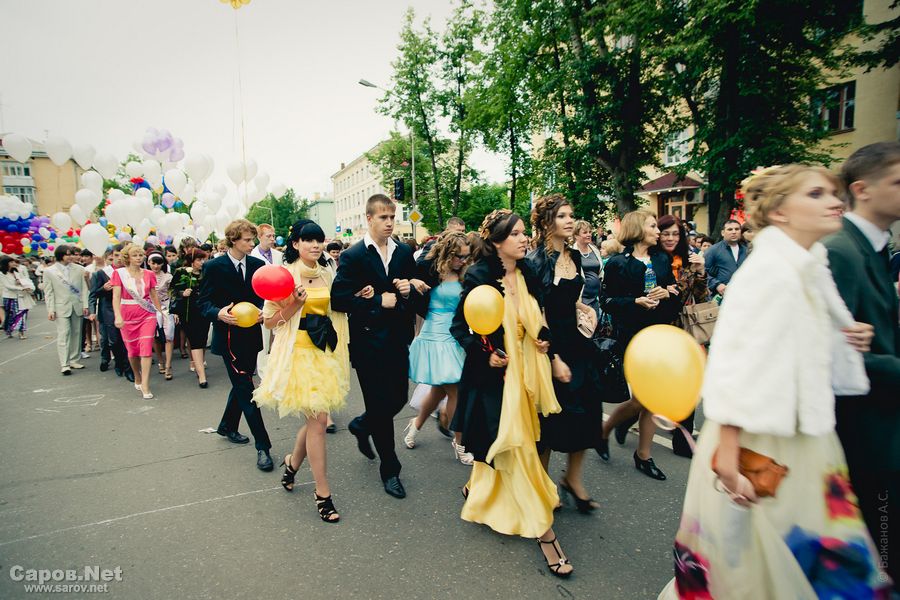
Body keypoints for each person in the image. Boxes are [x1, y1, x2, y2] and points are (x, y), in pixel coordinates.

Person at [660, 164, 890, 598]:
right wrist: (729, 459)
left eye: (833, 193)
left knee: (811, 569)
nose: (835, 201)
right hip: (760, 444)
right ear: (781, 212)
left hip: (807, 437)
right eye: (816, 194)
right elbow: (733, 361)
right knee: (759, 572)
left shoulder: (807, 266)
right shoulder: (770, 271)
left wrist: (846, 335)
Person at [451, 209, 574, 577]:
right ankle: (545, 535)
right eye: (516, 234)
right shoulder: (479, 277)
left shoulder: (528, 272)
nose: (524, 239)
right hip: (497, 378)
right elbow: (461, 327)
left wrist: (548, 345)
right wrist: (486, 354)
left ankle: (478, 487)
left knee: (515, 443)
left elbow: (539, 319)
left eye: (524, 233)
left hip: (529, 372)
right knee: (516, 446)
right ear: (496, 241)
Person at [824, 141, 900, 591]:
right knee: (880, 560)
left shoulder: (872, 248)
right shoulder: (841, 251)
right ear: (863, 189)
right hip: (864, 435)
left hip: (881, 426)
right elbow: (832, 355)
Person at [254, 219, 351, 523]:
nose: (315, 245)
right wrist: (295, 304)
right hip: (297, 356)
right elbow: (270, 322)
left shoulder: (327, 272)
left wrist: (358, 296)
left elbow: (337, 308)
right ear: (295, 244)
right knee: (318, 421)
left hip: (324, 354)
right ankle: (323, 492)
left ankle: (292, 465)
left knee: (314, 422)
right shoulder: (284, 276)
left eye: (318, 240)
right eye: (308, 240)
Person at [331, 194, 422, 499]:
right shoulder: (354, 255)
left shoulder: (404, 253)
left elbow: (415, 294)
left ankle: (361, 424)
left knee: (398, 398)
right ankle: (390, 469)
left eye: (392, 217)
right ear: (369, 219)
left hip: (397, 340)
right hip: (367, 344)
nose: (389, 223)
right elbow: (339, 299)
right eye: (383, 217)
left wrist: (408, 291)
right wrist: (377, 301)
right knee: (380, 408)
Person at [527, 196, 603, 514]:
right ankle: (542, 486)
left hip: (578, 343)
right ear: (547, 222)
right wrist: (554, 358)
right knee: (550, 421)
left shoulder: (574, 256)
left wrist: (586, 309)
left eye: (571, 215)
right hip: (550, 347)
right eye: (562, 216)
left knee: (588, 413)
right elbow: (537, 313)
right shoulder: (535, 261)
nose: (570, 220)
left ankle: (573, 479)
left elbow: (570, 299)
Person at [598, 210, 680, 480]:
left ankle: (643, 455)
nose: (659, 231)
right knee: (642, 400)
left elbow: (675, 293)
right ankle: (607, 429)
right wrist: (635, 301)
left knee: (652, 399)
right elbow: (606, 302)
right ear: (637, 229)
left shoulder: (661, 259)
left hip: (660, 335)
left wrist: (666, 293)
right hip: (633, 338)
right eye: (653, 226)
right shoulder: (617, 264)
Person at [198, 219, 273, 471]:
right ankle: (263, 446)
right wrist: (218, 313)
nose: (252, 244)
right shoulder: (213, 267)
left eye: (253, 239)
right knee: (246, 388)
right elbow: (203, 303)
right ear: (233, 240)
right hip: (228, 337)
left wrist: (263, 311)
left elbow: (264, 297)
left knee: (242, 383)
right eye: (247, 240)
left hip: (251, 335)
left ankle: (227, 426)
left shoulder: (258, 265)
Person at [404, 231, 473, 465]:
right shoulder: (429, 271)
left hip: (455, 336)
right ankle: (460, 443)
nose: (463, 260)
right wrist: (413, 283)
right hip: (434, 336)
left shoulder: (465, 274)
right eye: (459, 256)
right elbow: (413, 299)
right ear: (448, 253)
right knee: (455, 391)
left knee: (438, 391)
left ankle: (415, 426)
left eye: (466, 256)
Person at [657, 214, 709, 458]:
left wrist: (700, 272)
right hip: (658, 328)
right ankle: (624, 419)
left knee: (688, 382)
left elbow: (701, 297)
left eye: (675, 234)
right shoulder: (653, 260)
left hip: (685, 329)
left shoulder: (689, 260)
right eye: (666, 233)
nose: (670, 238)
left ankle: (682, 439)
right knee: (658, 388)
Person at [112, 244, 163, 400]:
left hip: (147, 314)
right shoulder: (119, 273)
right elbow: (116, 296)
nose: (138, 258)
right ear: (127, 257)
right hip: (127, 314)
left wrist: (161, 312)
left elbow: (154, 295)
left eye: (141, 255)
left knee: (146, 348)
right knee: (133, 351)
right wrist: (117, 316)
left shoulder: (149, 274)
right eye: (135, 255)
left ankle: (145, 384)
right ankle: (137, 375)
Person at [44, 245, 90, 375]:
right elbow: (49, 292)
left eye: (72, 254)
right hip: (60, 307)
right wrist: (51, 309)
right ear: (60, 255)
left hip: (77, 305)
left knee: (77, 333)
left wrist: (85, 305)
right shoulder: (49, 271)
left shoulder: (80, 269)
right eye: (68, 254)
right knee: (64, 333)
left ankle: (74, 359)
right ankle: (64, 364)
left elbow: (84, 289)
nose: (71, 256)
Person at [89, 247, 132, 380]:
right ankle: (118, 363)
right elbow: (93, 294)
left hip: (128, 309)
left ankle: (129, 368)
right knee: (114, 341)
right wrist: (103, 288)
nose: (119, 258)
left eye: (122, 255)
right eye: (116, 255)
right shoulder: (101, 274)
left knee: (128, 341)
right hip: (109, 310)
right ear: (112, 256)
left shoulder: (130, 271)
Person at [171, 248, 211, 388]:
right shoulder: (182, 272)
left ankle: (199, 363)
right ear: (191, 261)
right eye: (199, 260)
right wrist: (182, 293)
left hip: (204, 311)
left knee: (203, 339)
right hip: (188, 312)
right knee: (195, 341)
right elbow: (173, 290)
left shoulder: (206, 272)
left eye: (204, 259)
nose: (202, 262)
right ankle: (202, 376)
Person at [147, 252, 176, 381]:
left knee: (169, 336)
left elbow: (174, 294)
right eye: (153, 263)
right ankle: (160, 361)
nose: (156, 266)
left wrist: (175, 311)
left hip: (166, 307)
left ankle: (168, 365)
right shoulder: (145, 276)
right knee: (155, 336)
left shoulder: (168, 277)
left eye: (159, 263)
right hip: (150, 308)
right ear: (148, 263)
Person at [704, 219, 748, 298]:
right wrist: (716, 284)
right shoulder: (713, 250)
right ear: (723, 233)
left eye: (737, 229)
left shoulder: (747, 250)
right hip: (722, 296)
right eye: (730, 229)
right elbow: (703, 272)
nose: (734, 232)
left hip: (744, 294)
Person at [572, 219, 604, 318]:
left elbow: (600, 271)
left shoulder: (595, 250)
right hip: (581, 298)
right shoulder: (572, 252)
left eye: (590, 232)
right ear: (576, 235)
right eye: (585, 232)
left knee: (596, 322)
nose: (589, 234)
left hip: (595, 297)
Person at [1, 256, 35, 339]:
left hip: (21, 296)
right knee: (11, 315)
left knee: (22, 314)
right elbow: (7, 286)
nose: (14, 263)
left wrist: (24, 284)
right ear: (6, 263)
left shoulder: (17, 272)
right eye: (11, 262)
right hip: (10, 297)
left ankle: (21, 332)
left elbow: (25, 280)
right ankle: (9, 329)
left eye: (14, 262)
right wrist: (21, 288)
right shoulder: (2, 274)